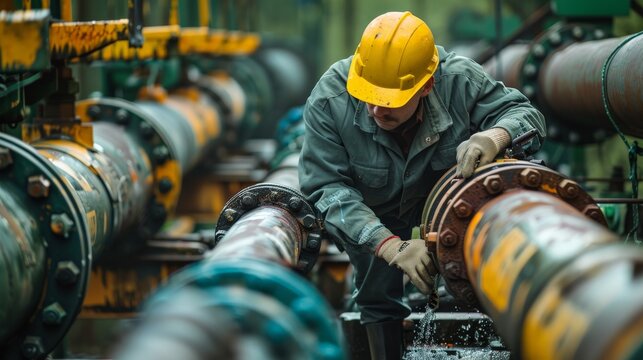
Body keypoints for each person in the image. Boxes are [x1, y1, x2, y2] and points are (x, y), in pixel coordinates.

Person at [298, 11, 545, 360]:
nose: (374, 110)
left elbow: (526, 114)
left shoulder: (459, 80)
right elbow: (326, 187)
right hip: (374, 212)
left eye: (389, 102)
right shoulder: (330, 100)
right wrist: (389, 246)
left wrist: (496, 136)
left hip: (451, 207)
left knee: (487, 284)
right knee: (376, 295)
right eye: (368, 97)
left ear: (426, 86)